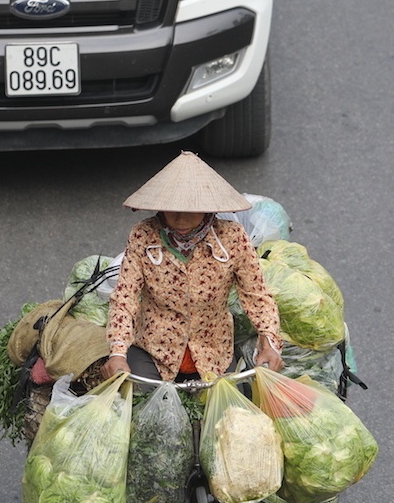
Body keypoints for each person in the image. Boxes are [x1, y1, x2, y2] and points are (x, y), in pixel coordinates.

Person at [102, 151, 283, 382]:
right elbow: (124, 298)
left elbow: (256, 295)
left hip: (213, 354)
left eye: (191, 210)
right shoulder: (143, 236)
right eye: (172, 209)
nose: (180, 220)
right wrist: (118, 352)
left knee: (228, 411)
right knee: (139, 404)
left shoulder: (232, 237)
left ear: (208, 208)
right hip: (153, 352)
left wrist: (269, 342)